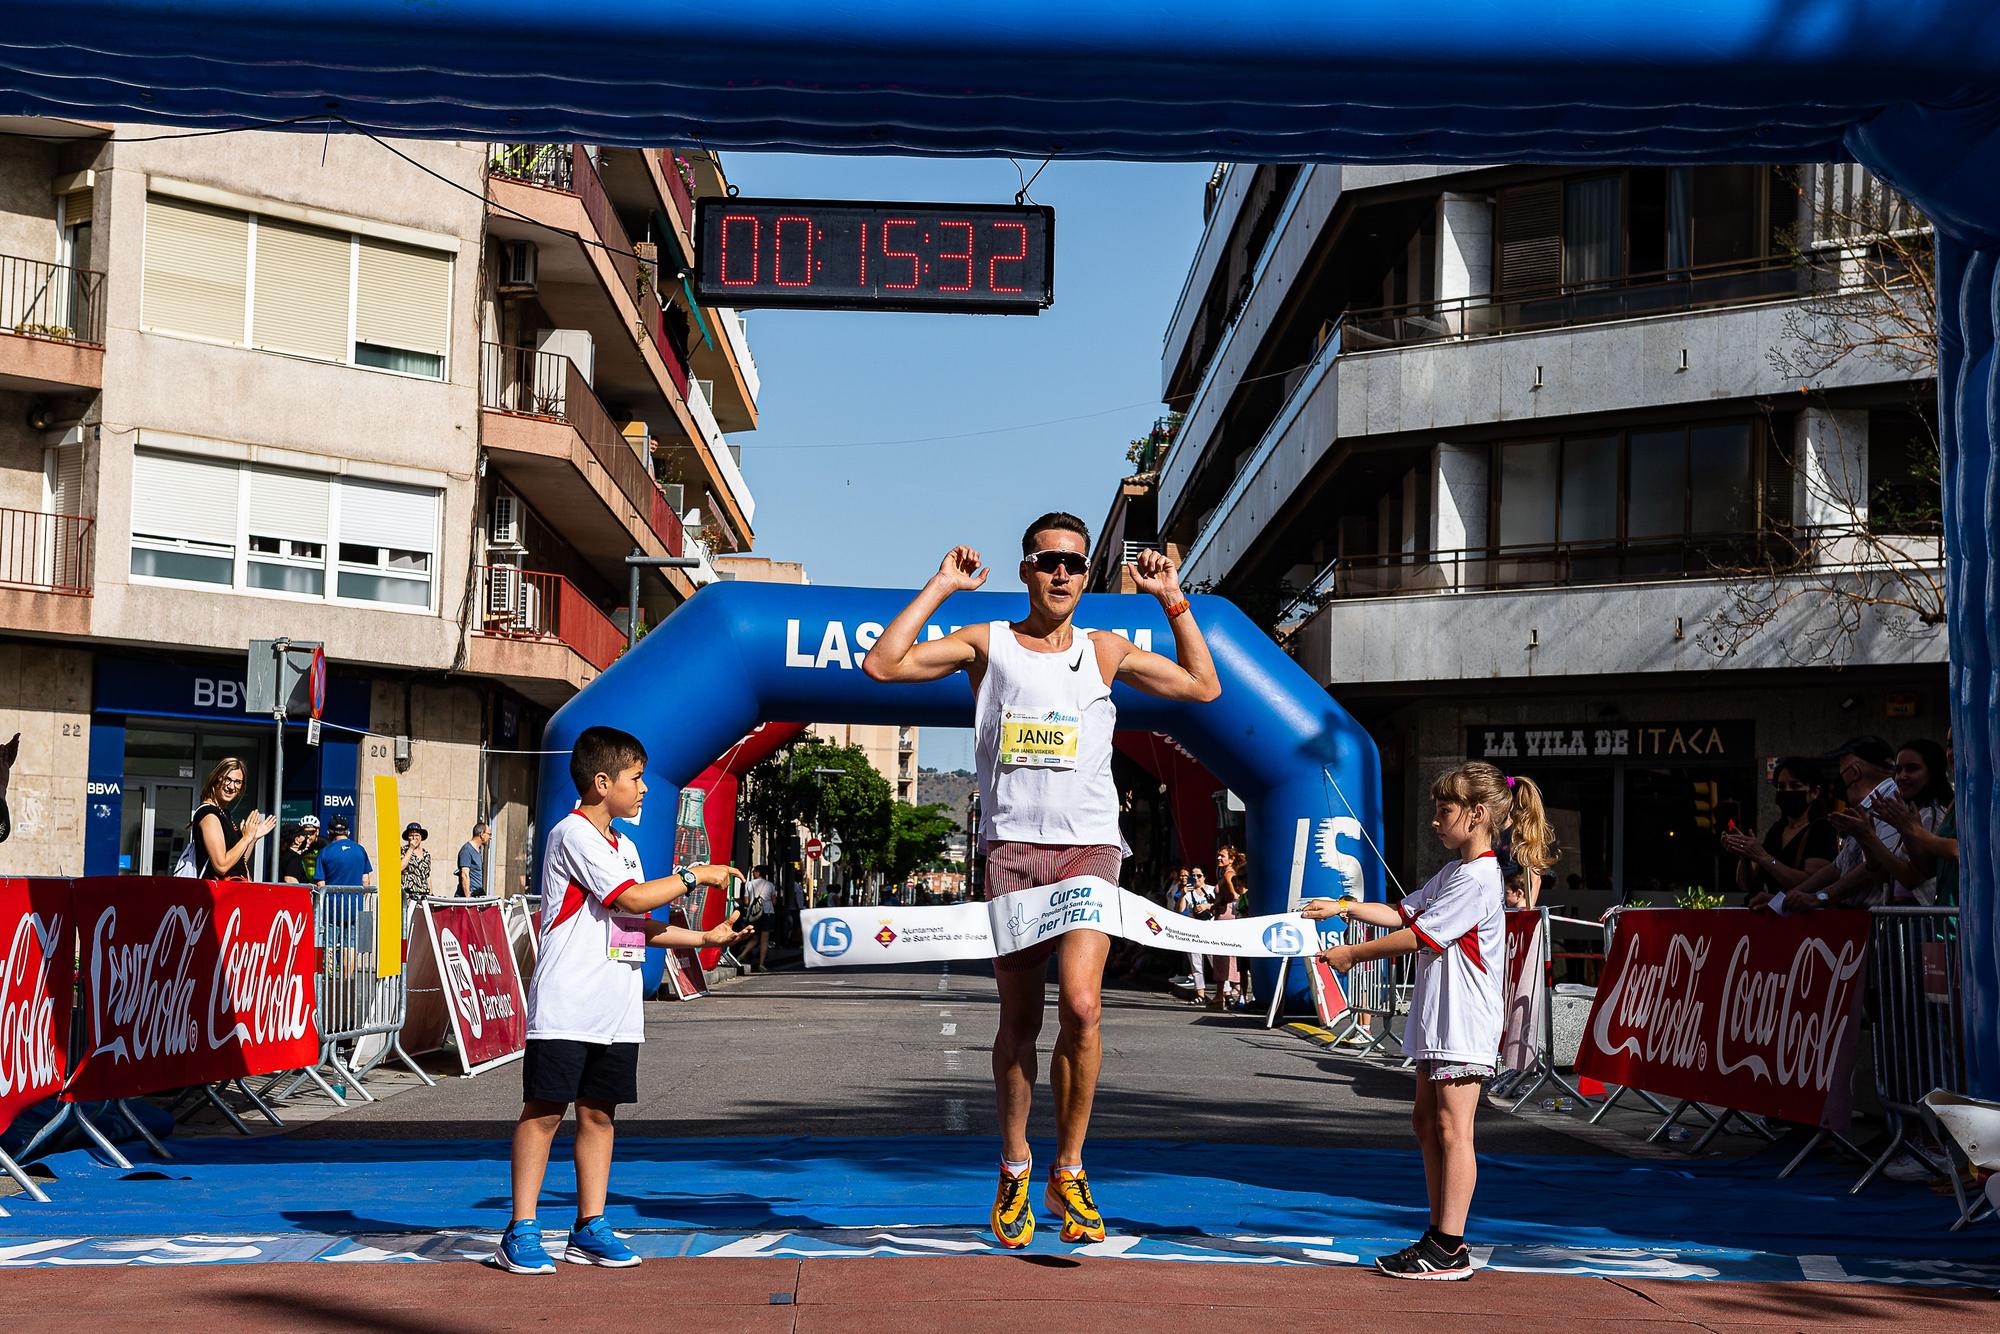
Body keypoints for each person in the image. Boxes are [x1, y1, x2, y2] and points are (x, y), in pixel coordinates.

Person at [864, 513, 1221, 1249]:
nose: (1061, 573)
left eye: (1074, 564)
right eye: (1047, 560)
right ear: (1026, 570)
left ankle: (1071, 1167)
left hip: (1091, 847)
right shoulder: (987, 642)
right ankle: (1015, 1164)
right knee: (1021, 1022)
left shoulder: (1107, 650)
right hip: (1014, 852)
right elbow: (883, 665)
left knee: (1084, 1008)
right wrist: (942, 585)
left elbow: (1203, 687)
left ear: (1088, 577)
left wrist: (1172, 598)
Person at [498, 726, 749, 1274]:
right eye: (636, 778)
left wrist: (704, 940)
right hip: (567, 1001)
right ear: (601, 781)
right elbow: (631, 895)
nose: (644, 788)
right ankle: (520, 1228)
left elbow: (635, 922)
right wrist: (694, 875)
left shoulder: (626, 845)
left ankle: (590, 1226)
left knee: (599, 1115)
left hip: (615, 1006)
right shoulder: (573, 834)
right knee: (544, 1113)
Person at [1304, 761, 1554, 1280]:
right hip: (1439, 1019)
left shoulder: (1482, 877)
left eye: (1445, 811)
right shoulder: (1456, 872)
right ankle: (1438, 1234)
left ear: (1478, 814)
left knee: (1452, 1126)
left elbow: (1421, 936)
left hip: (1463, 1021)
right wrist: (1344, 907)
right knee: (1426, 1122)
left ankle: (1449, 1244)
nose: (1435, 821)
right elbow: (1403, 912)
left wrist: (1355, 955)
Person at [1751, 737, 1899, 914]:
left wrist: (1819, 898)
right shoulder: (1777, 829)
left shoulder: (1889, 804)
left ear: (1854, 772)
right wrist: (1783, 899)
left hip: (1876, 919)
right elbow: (1838, 866)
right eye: (1781, 787)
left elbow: (1873, 868)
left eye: (1841, 772)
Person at [1833, 738, 1952, 904]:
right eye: (1898, 769)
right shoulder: (1903, 814)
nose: (1902, 776)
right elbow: (1882, 883)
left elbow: (1911, 879)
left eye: (1912, 769)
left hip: (1922, 921)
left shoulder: (1933, 815)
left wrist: (1870, 837)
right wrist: (1866, 840)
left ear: (1932, 773)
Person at [1721, 758, 1837, 902]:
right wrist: (1745, 855)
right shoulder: (1777, 830)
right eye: (1781, 787)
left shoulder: (1822, 829)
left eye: (1795, 786)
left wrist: (1764, 857)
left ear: (1814, 792)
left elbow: (1814, 883)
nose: (1787, 792)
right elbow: (1748, 884)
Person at [188, 757, 276, 879]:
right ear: (216, 778)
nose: (231, 786)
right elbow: (222, 866)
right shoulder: (209, 814)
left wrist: (253, 838)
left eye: (237, 782)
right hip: (217, 894)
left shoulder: (224, 813)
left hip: (232, 891)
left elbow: (239, 861)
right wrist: (246, 837)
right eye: (227, 779)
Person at [316, 817, 373, 887]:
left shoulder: (324, 852)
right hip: (356, 897)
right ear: (348, 832)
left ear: (328, 832)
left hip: (332, 897)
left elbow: (320, 884)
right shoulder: (360, 849)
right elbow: (365, 881)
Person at [745, 865, 778, 972]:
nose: (753, 873)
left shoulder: (749, 884)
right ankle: (761, 964)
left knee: (754, 938)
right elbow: (774, 902)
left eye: (754, 872)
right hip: (767, 913)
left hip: (753, 915)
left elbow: (746, 901)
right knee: (764, 940)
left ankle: (741, 955)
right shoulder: (770, 885)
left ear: (758, 873)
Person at [458, 820, 492, 896]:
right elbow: (464, 875)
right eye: (489, 834)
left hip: (477, 894)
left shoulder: (477, 851)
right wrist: (468, 899)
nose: (490, 837)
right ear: (481, 834)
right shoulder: (467, 850)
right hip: (469, 896)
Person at [402, 822, 433, 895]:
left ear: (421, 837)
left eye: (417, 835)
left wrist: (431, 893)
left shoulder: (426, 854)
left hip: (424, 895)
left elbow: (427, 875)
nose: (414, 838)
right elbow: (400, 867)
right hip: (408, 894)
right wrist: (411, 848)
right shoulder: (402, 851)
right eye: (411, 835)